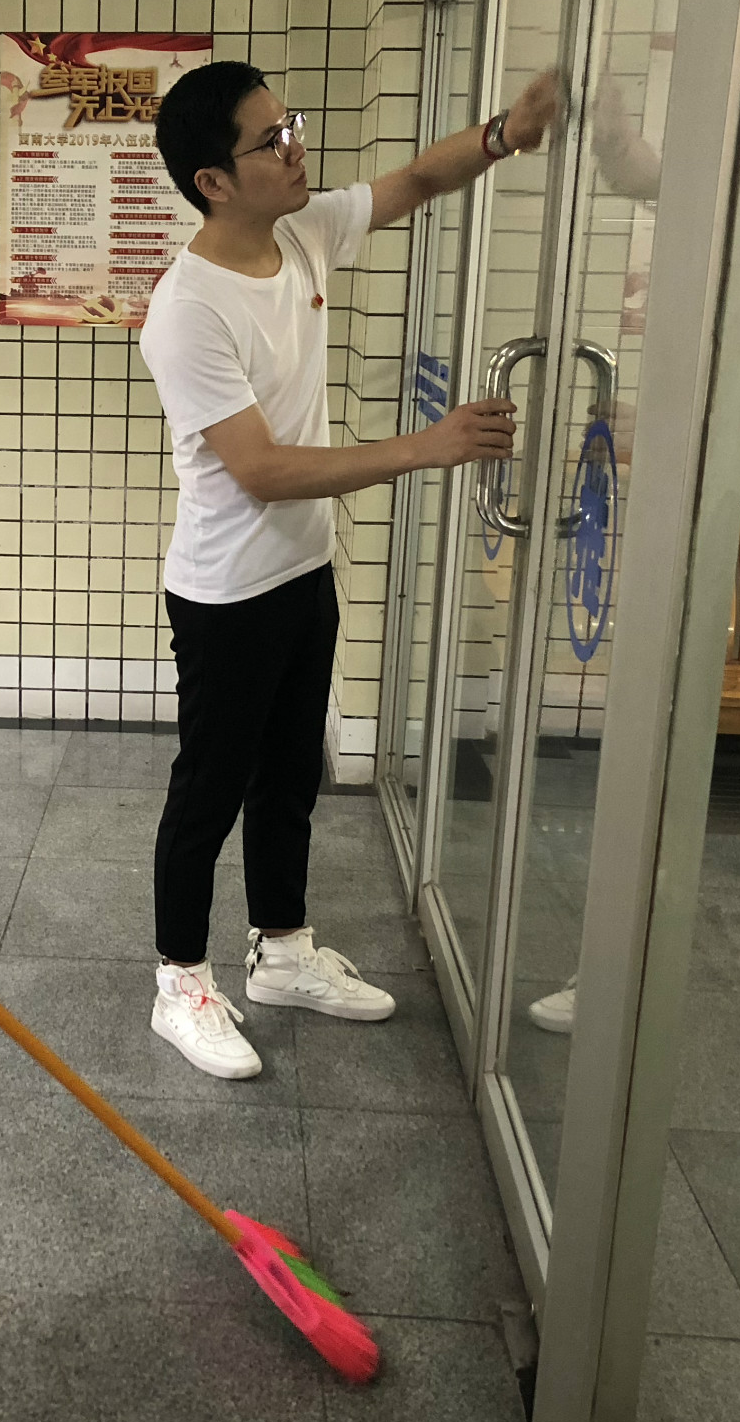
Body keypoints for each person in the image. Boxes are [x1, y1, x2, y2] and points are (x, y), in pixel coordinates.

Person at [140, 61, 557, 1079]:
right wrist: (427, 446)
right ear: (213, 182)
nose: (297, 148)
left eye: (291, 126)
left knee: (290, 775)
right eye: (271, 141)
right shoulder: (185, 310)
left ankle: (281, 953)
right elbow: (262, 469)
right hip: (225, 593)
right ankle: (180, 984)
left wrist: (503, 133)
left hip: (303, 570)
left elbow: (413, 181)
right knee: (210, 788)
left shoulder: (301, 232)